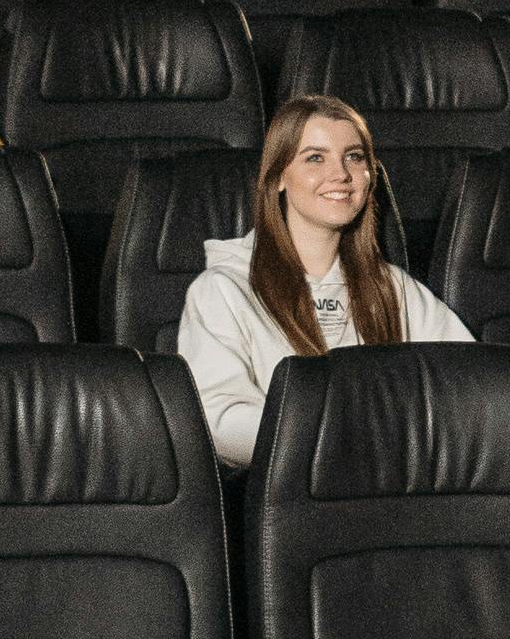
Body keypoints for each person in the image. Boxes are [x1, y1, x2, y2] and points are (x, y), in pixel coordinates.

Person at [175, 94, 470, 473]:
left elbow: (467, 381)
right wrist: (345, 441)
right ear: (280, 176)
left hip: (395, 489)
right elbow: (221, 423)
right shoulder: (222, 290)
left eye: (354, 156)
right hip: (289, 499)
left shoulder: (393, 288)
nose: (341, 174)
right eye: (316, 157)